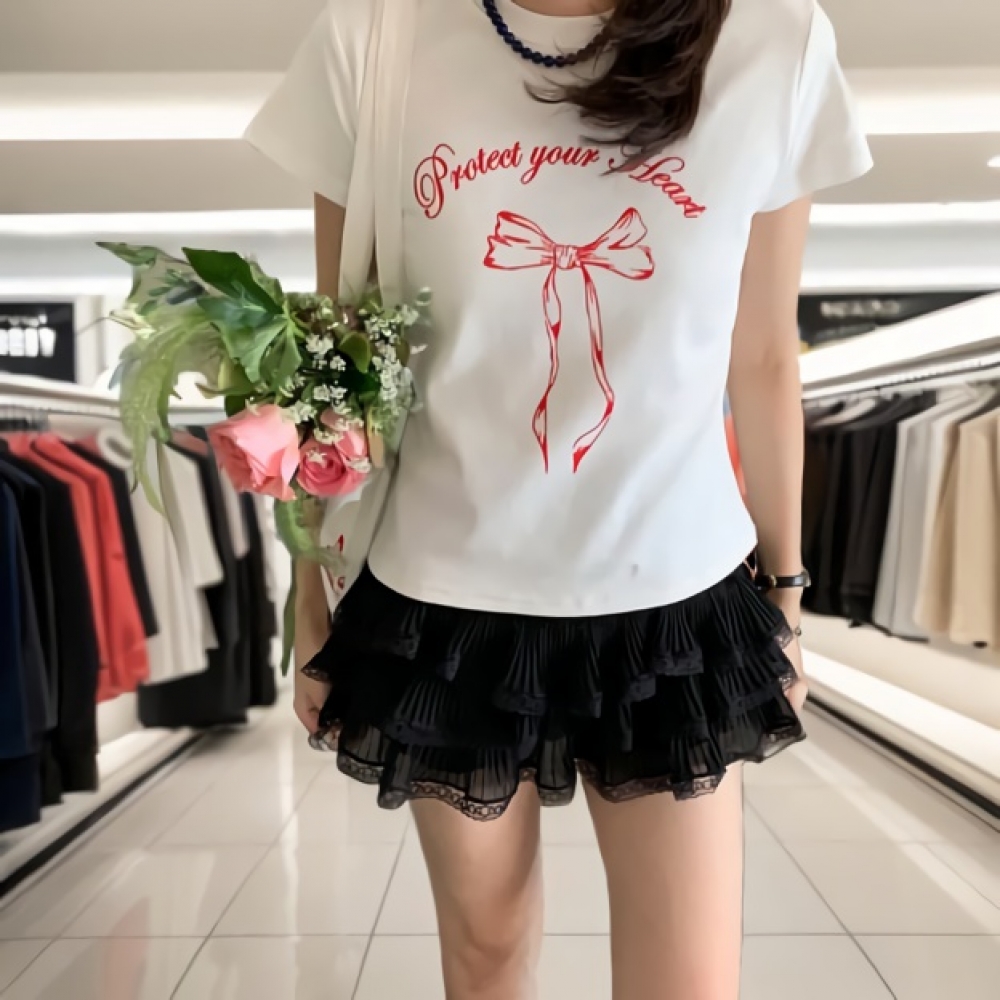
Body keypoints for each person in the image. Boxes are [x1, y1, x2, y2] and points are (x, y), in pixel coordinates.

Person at [247, 0, 871, 996]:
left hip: (673, 589)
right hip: (445, 591)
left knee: (689, 979)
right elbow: (339, 352)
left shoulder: (771, 38)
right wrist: (308, 588)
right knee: (485, 956)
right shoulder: (376, 35)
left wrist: (786, 592)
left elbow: (761, 354)